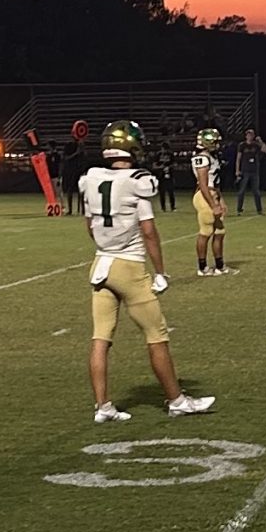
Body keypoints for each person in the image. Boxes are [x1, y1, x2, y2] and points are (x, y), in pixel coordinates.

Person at [79, 120, 214, 423]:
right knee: (156, 335)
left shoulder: (90, 178)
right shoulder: (138, 180)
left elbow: (89, 226)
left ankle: (102, 406)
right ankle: (177, 400)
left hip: (100, 264)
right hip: (128, 266)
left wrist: (107, 245)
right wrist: (161, 272)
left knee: (100, 338)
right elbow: (149, 231)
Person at [189, 127, 232, 276]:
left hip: (213, 195)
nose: (218, 144)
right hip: (204, 196)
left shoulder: (211, 157)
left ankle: (220, 266)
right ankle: (202, 268)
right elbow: (203, 184)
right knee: (206, 232)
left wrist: (221, 200)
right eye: (215, 141)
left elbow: (215, 182)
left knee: (220, 232)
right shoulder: (202, 158)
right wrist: (213, 204)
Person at [234, 127, 266, 214]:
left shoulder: (256, 145)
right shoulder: (242, 145)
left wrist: (260, 142)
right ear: (246, 136)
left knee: (256, 192)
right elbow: (238, 158)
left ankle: (259, 210)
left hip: (254, 171)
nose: (250, 136)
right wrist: (237, 170)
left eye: (251, 135)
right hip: (245, 170)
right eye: (248, 134)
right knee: (241, 191)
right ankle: (239, 209)